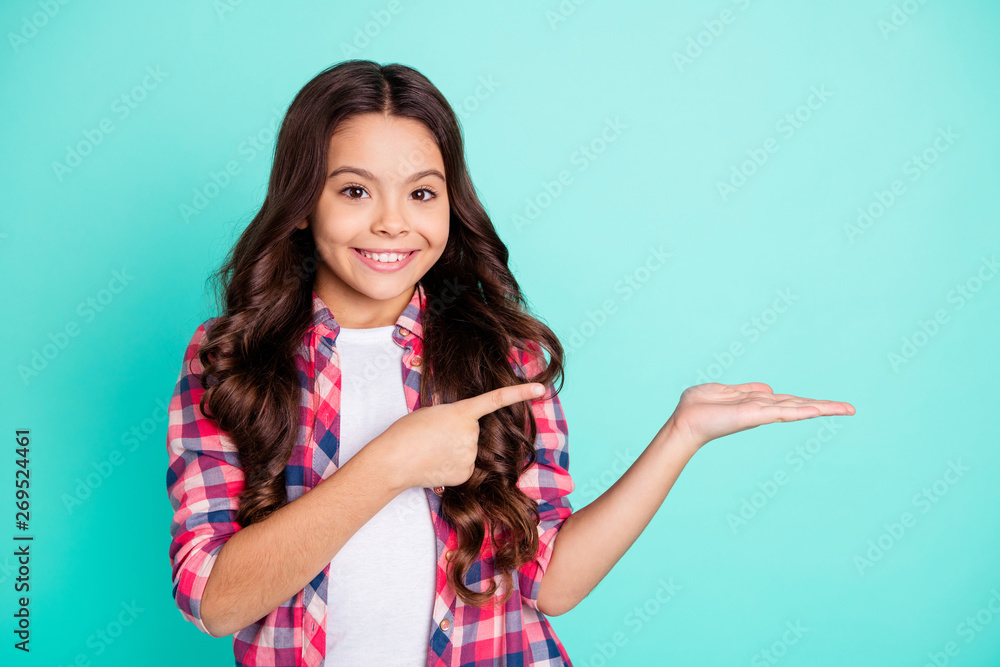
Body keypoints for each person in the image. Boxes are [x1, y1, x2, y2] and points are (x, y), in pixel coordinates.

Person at [166, 59, 856, 667]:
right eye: (354, 191)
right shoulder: (230, 359)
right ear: (299, 207)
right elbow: (214, 601)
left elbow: (551, 583)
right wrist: (391, 463)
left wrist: (682, 435)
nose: (392, 222)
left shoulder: (502, 356)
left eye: (421, 192)